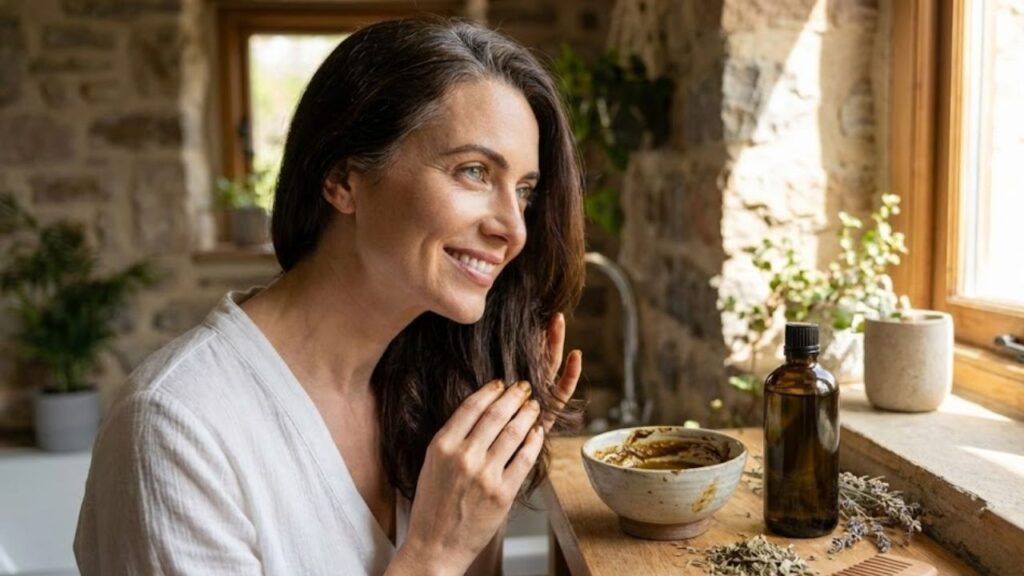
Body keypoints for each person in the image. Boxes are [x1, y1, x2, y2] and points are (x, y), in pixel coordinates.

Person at [73, 16, 586, 576]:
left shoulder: (431, 385)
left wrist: (496, 476)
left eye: (525, 191)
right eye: (472, 171)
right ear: (343, 179)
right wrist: (435, 553)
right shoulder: (175, 428)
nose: (514, 229)